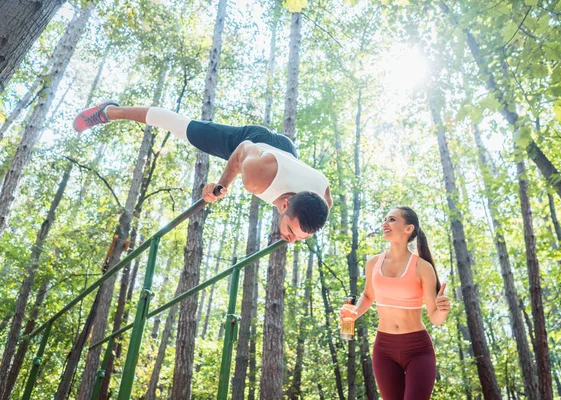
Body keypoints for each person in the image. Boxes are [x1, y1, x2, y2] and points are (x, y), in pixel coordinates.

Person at [73, 101, 332, 243]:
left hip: (288, 153)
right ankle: (110, 111)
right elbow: (244, 149)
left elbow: (322, 198)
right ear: (286, 203)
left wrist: (297, 229)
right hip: (256, 143)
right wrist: (220, 185)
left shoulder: (322, 204)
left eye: (299, 238)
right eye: (290, 232)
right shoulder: (256, 179)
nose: (290, 239)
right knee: (184, 128)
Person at [340, 206, 450, 399]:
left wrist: (443, 309)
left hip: (418, 349)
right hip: (384, 350)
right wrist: (354, 313)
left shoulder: (423, 267)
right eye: (385, 219)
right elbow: (367, 296)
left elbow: (436, 318)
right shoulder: (373, 263)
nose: (385, 224)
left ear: (408, 229)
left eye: (392, 219)